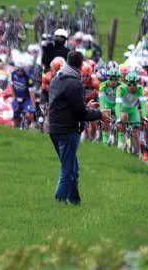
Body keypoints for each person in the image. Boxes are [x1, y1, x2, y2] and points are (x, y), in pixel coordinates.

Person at [48, 51, 111, 205]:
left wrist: (87, 106)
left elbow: (65, 106)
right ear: (81, 65)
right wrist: (99, 114)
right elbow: (80, 113)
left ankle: (75, 201)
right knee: (67, 170)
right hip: (68, 130)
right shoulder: (75, 83)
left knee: (73, 170)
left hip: (54, 129)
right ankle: (59, 201)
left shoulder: (56, 79)